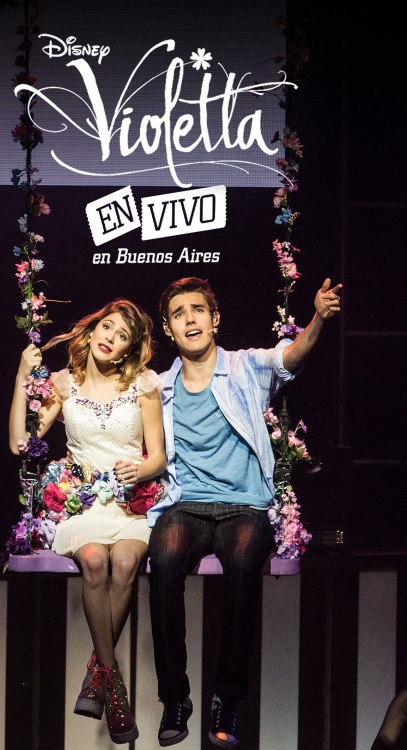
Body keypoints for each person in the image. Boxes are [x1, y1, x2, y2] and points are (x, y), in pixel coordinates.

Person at [146, 276, 342, 748]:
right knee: (164, 560)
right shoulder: (158, 387)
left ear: (215, 319)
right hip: (186, 505)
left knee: (242, 562)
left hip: (245, 506)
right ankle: (175, 698)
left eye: (198, 310)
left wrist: (318, 318)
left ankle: (227, 699)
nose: (190, 319)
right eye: (178, 314)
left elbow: (290, 356)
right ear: (168, 330)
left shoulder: (244, 367)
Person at [9, 298, 167, 745]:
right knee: (96, 561)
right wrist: (22, 378)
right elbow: (21, 442)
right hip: (83, 507)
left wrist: (142, 468)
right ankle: (113, 684)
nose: (111, 338)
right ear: (94, 328)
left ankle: (98, 673)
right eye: (108, 327)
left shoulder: (144, 385)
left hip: (130, 507)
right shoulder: (63, 383)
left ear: (129, 349)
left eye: (123, 337)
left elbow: (158, 456)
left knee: (126, 563)